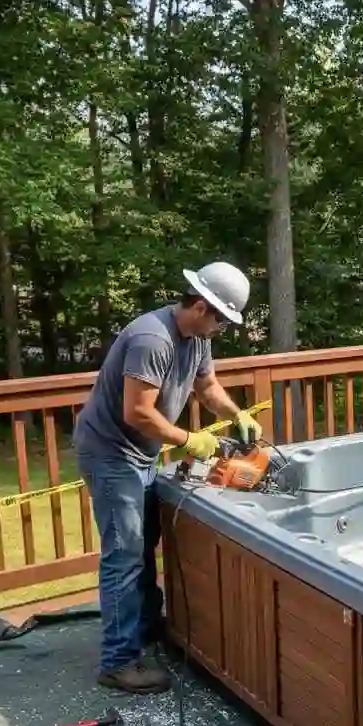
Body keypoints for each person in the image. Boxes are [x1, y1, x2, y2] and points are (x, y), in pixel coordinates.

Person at [73, 261, 264, 695]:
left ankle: (145, 625)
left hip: (141, 453)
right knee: (123, 553)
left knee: (145, 541)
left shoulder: (196, 339)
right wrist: (191, 440)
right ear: (201, 305)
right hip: (110, 453)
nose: (222, 329)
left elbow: (208, 387)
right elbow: (136, 412)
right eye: (221, 320)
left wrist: (237, 415)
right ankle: (118, 662)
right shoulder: (151, 338)